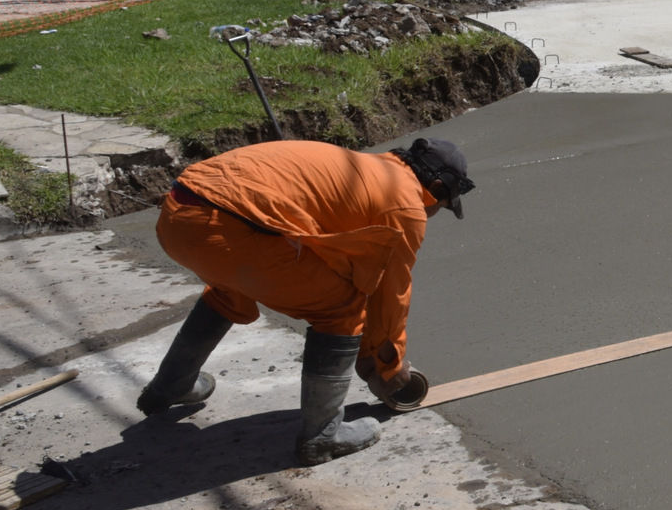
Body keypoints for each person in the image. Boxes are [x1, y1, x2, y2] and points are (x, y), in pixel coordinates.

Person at [138, 137, 475, 465]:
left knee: (232, 289)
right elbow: (391, 295)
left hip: (179, 214)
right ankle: (322, 437)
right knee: (341, 307)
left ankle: (170, 386)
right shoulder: (405, 204)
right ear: (435, 187)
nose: (431, 215)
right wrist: (388, 365)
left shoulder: (366, 168)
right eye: (441, 207)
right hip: (229, 225)